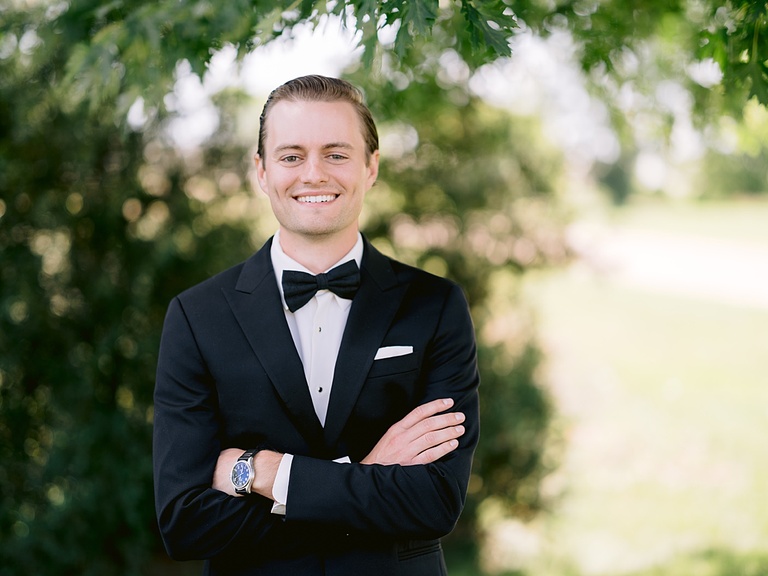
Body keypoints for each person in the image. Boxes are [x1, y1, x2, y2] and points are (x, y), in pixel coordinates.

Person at [153, 74, 480, 576]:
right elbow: (185, 523)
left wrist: (267, 473)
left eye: (336, 154)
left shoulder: (434, 306)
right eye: (291, 156)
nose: (313, 174)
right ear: (262, 172)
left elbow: (434, 502)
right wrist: (367, 476)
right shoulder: (197, 317)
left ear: (371, 167)